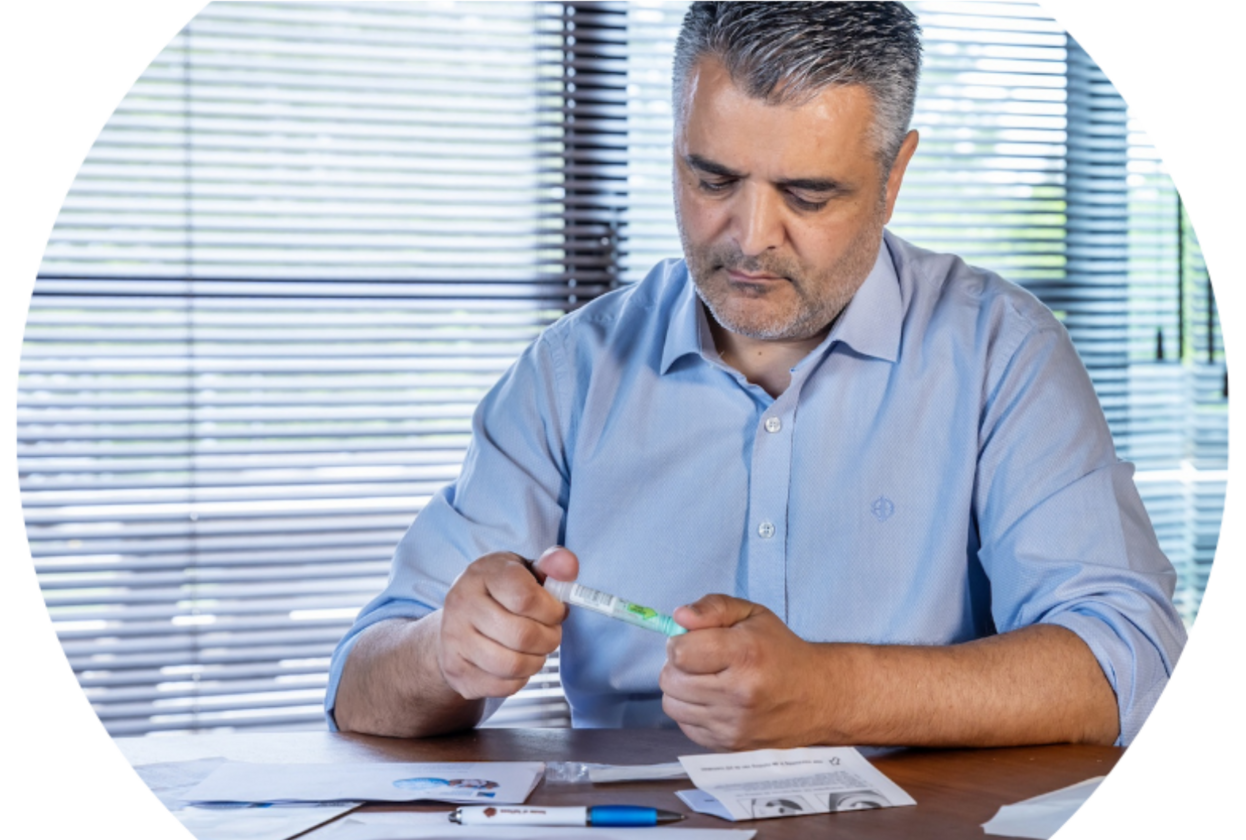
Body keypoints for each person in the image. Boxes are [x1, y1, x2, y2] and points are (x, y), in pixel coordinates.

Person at [327, 0, 1187, 750]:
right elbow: (360, 684)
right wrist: (445, 647)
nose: (749, 237)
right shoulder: (569, 373)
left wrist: (833, 695)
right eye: (712, 178)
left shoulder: (1003, 352)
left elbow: (1130, 659)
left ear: (894, 178)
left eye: (808, 196)